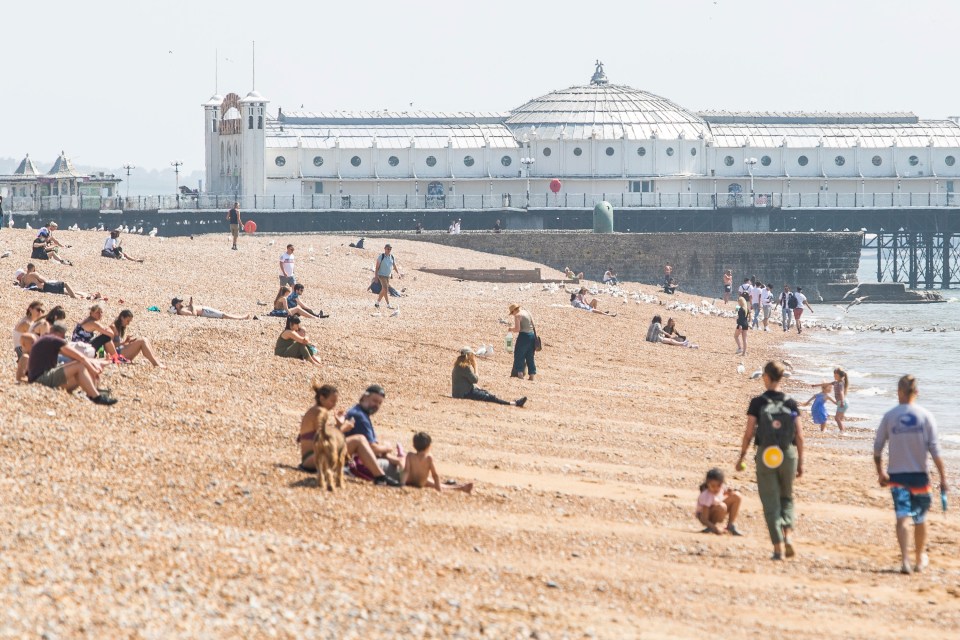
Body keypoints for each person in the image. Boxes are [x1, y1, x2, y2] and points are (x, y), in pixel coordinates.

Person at [873, 375, 948, 574]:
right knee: (920, 518)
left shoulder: (890, 416)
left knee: (902, 516)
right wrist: (943, 478)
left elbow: (878, 448)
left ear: (899, 392)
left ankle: (905, 560)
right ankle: (918, 559)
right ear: (917, 392)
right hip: (919, 476)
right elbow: (935, 451)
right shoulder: (925, 416)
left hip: (897, 475)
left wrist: (880, 472)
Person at [736, 361, 804, 561]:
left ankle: (777, 548)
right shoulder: (791, 402)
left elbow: (749, 433)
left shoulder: (758, 402)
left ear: (765, 377)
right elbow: (799, 435)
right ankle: (788, 536)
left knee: (770, 501)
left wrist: (741, 457)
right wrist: (801, 462)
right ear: (782, 377)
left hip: (767, 454)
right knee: (787, 497)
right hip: (787, 453)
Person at [297, 382, 399, 486]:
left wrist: (338, 426)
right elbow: (322, 438)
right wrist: (342, 428)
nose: (334, 405)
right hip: (312, 460)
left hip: (314, 457)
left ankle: (380, 477)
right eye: (332, 401)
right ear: (322, 398)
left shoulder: (316, 411)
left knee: (359, 439)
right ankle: (380, 477)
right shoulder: (319, 412)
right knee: (359, 440)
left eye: (335, 402)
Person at [26, 323, 117, 405]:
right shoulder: (54, 340)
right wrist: (94, 370)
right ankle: (97, 397)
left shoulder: (45, 340)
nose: (63, 338)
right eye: (63, 336)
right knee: (80, 366)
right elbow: (80, 358)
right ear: (59, 334)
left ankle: (92, 392)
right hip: (41, 378)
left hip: (37, 377)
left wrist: (103, 362)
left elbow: (75, 357)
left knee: (81, 370)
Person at [344, 385, 405, 469]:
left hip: (355, 459)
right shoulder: (360, 417)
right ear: (365, 397)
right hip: (355, 464)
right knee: (406, 469)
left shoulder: (358, 411)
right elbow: (372, 449)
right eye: (374, 401)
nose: (376, 405)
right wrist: (387, 447)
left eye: (379, 403)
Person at [400, 432, 473, 494]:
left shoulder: (410, 455)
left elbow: (406, 471)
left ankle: (460, 487)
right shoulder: (428, 458)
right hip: (421, 482)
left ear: (414, 446)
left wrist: (402, 484)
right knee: (439, 485)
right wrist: (438, 490)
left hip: (410, 481)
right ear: (429, 446)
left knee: (430, 482)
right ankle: (460, 488)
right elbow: (435, 475)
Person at [452, 347, 526, 407]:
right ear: (468, 356)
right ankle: (513, 403)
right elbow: (475, 380)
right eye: (472, 355)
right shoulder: (465, 367)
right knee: (489, 397)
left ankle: (512, 402)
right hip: (464, 394)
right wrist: (475, 367)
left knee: (484, 392)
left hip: (458, 393)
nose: (473, 357)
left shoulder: (458, 365)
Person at [696, 468, 743, 535]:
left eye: (719, 485)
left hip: (717, 509)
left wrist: (729, 492)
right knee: (721, 506)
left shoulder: (721, 487)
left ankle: (730, 526)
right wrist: (715, 528)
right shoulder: (706, 496)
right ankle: (711, 527)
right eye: (713, 486)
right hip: (706, 516)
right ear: (707, 484)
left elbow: (724, 492)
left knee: (737, 496)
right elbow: (704, 519)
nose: (716, 488)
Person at [16, 263, 94, 299]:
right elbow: (44, 280)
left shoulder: (23, 278)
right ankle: (74, 297)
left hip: (42, 290)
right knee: (65, 284)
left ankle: (83, 295)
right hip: (45, 287)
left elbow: (22, 286)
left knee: (64, 291)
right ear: (32, 268)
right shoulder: (34, 273)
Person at [12, 300, 46, 378]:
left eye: (42, 311)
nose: (40, 312)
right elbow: (33, 340)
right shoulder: (27, 323)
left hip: (22, 348)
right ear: (30, 309)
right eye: (38, 310)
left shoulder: (28, 320)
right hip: (22, 350)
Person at [508, 303, 537, 380]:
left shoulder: (518, 316)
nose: (513, 315)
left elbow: (517, 329)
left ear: (514, 310)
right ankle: (532, 375)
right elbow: (533, 325)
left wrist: (511, 329)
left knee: (519, 355)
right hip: (532, 336)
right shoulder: (527, 312)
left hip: (524, 337)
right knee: (530, 356)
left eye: (512, 313)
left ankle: (520, 374)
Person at [170, 297, 251, 320]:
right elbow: (193, 315)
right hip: (205, 312)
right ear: (176, 305)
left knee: (222, 314)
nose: (181, 303)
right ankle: (242, 317)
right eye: (179, 302)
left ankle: (241, 317)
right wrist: (192, 305)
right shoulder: (182, 311)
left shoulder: (182, 309)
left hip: (205, 310)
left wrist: (191, 305)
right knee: (223, 315)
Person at [374, 244, 402, 309]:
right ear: (385, 249)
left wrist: (398, 273)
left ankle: (377, 303)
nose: (389, 250)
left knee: (384, 290)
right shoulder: (381, 256)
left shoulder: (392, 257)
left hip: (388, 276)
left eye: (390, 249)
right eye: (388, 249)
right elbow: (376, 267)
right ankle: (388, 304)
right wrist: (376, 277)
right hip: (381, 275)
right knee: (385, 288)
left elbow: (394, 265)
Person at [832, 367, 849, 432]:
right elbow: (827, 384)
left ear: (840, 375)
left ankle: (842, 432)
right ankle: (843, 430)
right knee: (840, 419)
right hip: (844, 401)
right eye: (834, 375)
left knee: (837, 418)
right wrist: (815, 385)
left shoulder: (840, 383)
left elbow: (841, 392)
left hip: (842, 401)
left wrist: (842, 402)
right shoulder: (836, 382)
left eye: (835, 375)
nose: (834, 376)